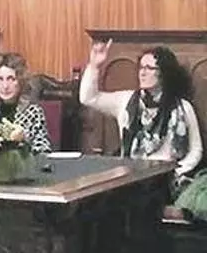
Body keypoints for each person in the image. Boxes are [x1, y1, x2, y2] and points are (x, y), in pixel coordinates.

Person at [80, 41, 204, 220]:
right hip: (131, 175)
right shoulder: (126, 101)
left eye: (149, 68)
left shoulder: (182, 107)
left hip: (165, 177)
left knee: (142, 198)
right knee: (95, 201)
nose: (143, 72)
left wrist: (178, 171)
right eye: (141, 67)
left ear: (163, 73)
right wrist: (95, 66)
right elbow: (88, 98)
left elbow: (196, 150)